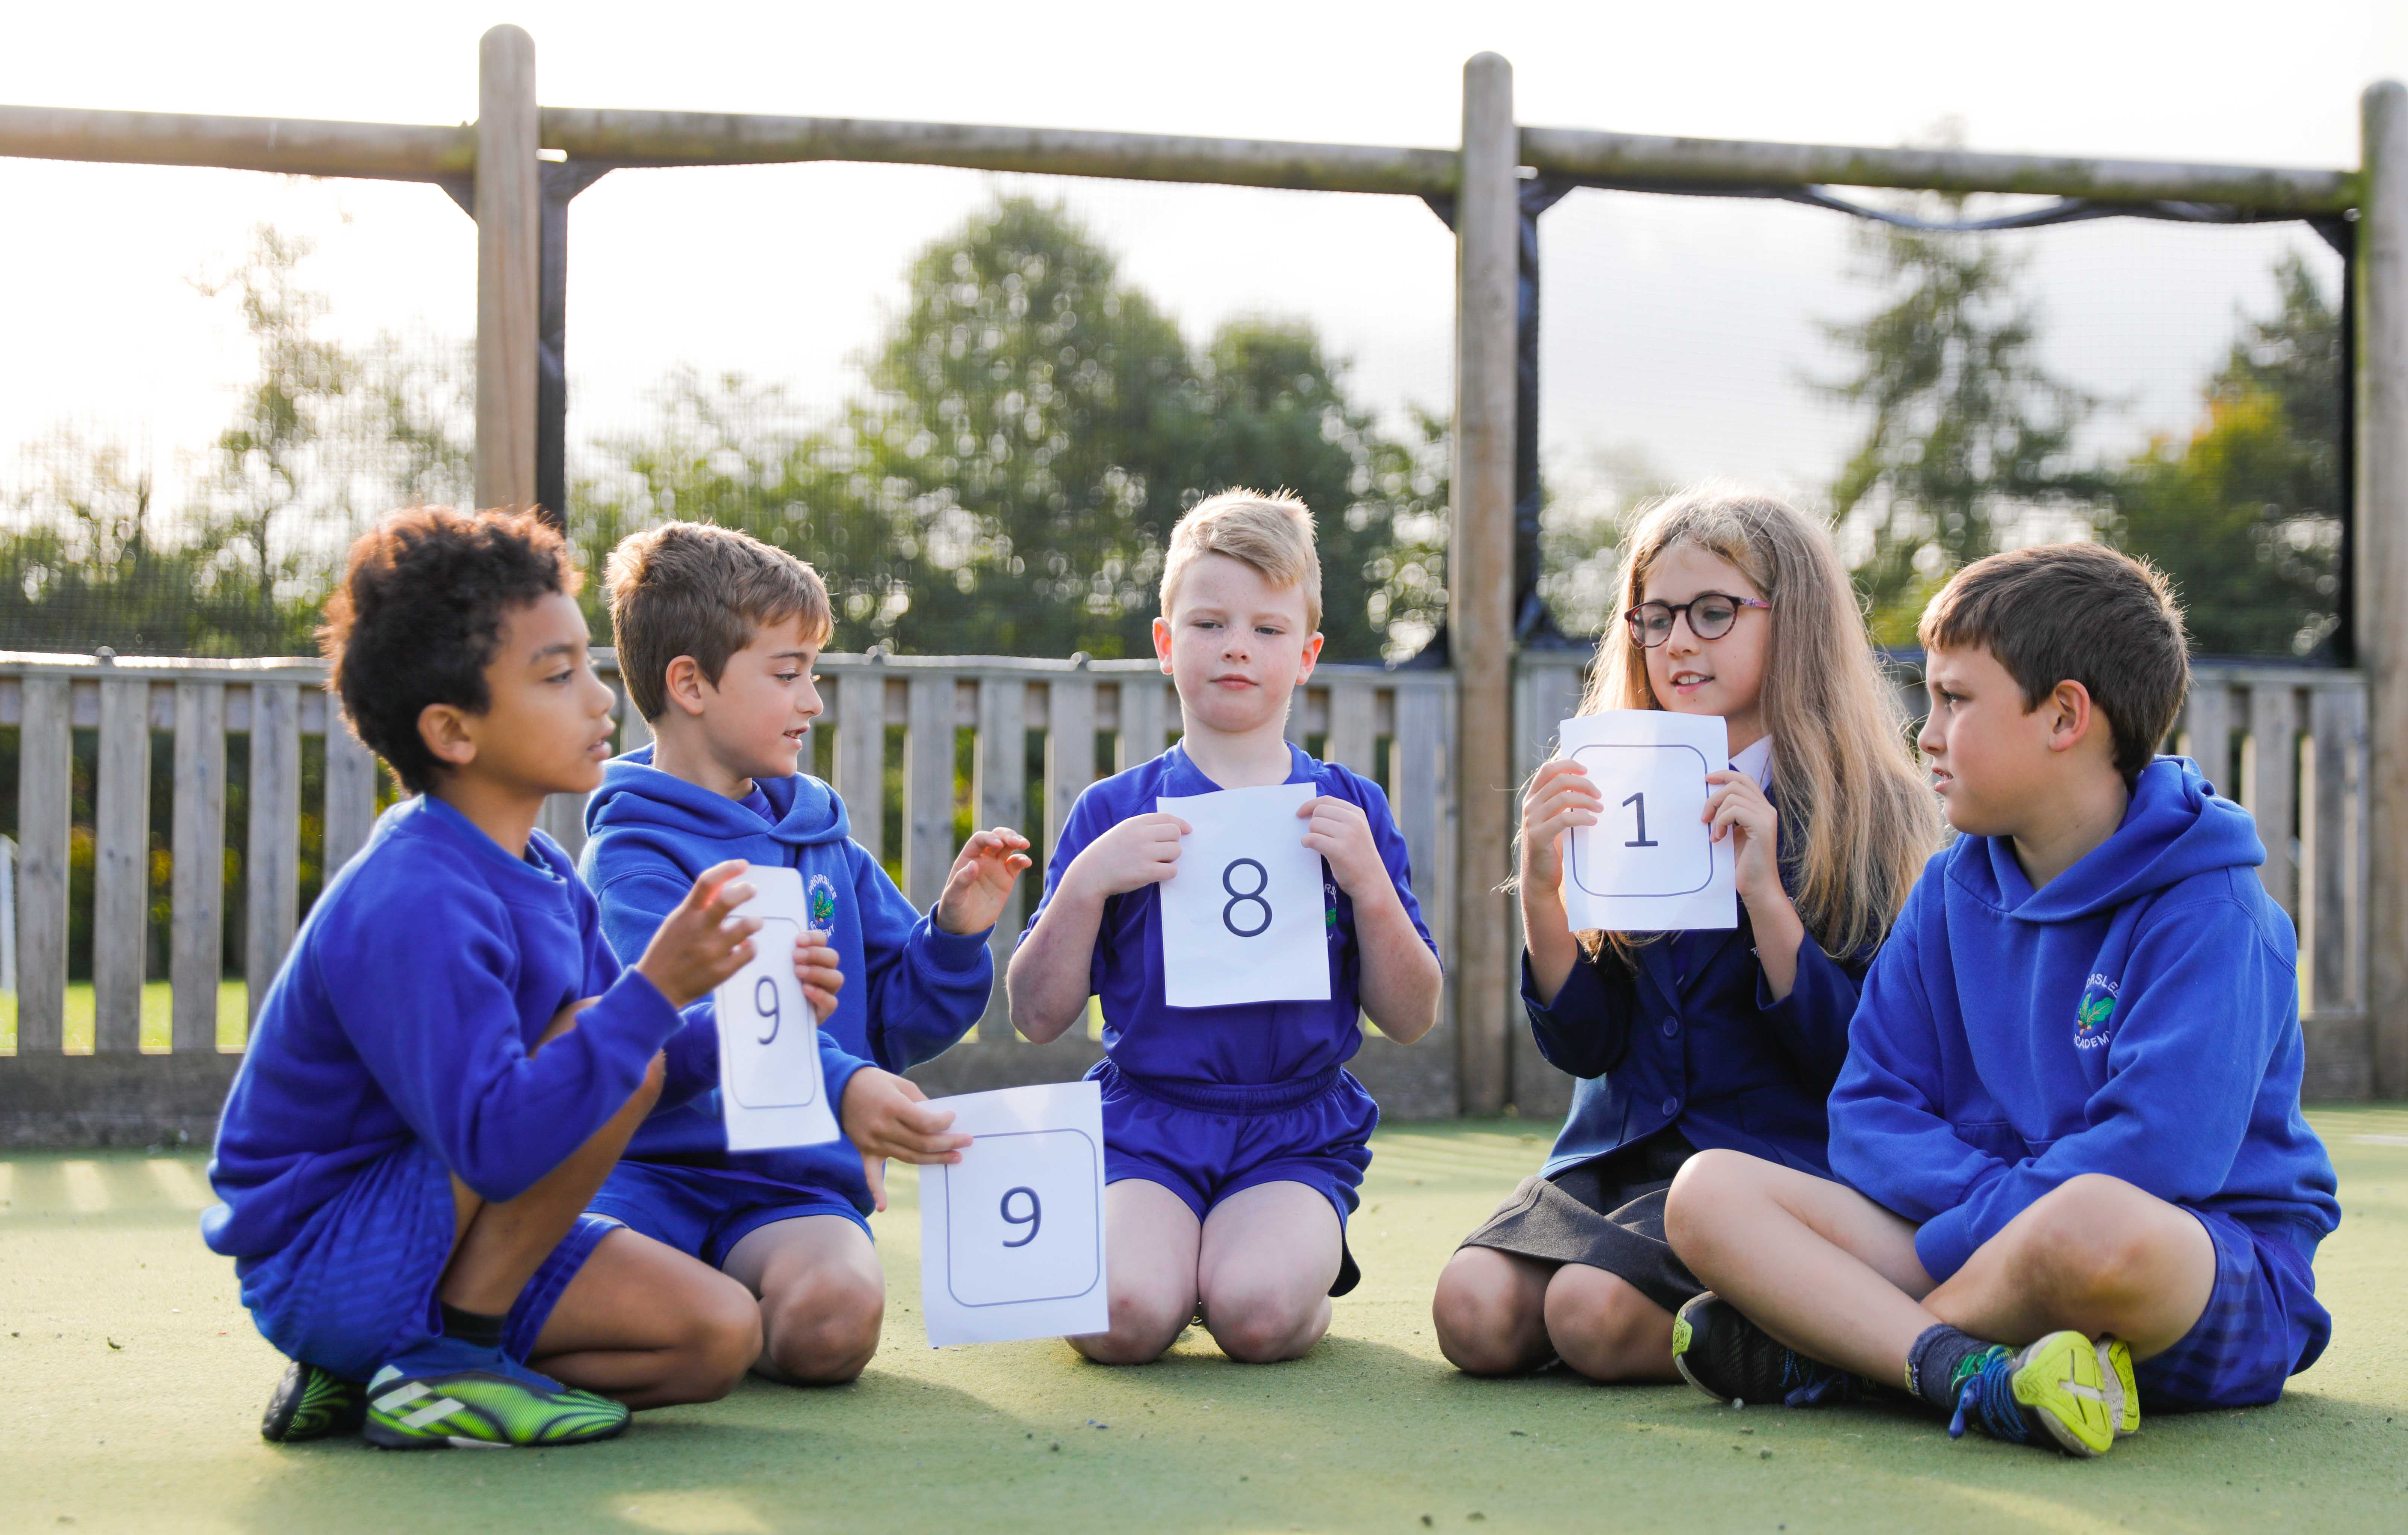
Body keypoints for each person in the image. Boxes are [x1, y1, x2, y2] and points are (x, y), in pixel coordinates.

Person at [1665, 542, 2340, 1457]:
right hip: (1971, 1239)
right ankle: (1963, 1368)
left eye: (1955, 700)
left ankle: (1857, 1355)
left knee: (2091, 1219)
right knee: (1709, 1190)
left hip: (2187, 1273)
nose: (1926, 733)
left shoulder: (2214, 912)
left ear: (2064, 715)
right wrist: (1986, 1219)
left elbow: (2158, 1156)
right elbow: (1867, 1109)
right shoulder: (1947, 889)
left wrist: (1980, 1229)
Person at [205, 506, 779, 1451]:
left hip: (454, 1231)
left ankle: (389, 1379)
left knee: (717, 1336)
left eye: (589, 664)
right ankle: (442, 1353)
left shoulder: (548, 873)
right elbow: (503, 1136)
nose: (602, 700)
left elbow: (636, 1063)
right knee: (606, 1041)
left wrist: (749, 1018)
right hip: (332, 1257)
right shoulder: (414, 898)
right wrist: (658, 988)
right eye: (558, 676)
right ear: (453, 731)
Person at [1431, 487, 1941, 1381]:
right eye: (1654, 617)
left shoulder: (1870, 810)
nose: (1677, 642)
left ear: (1798, 624)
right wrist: (1544, 897)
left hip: (1766, 1163)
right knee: (1471, 1314)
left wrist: (1766, 899)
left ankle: (1793, 1330)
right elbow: (1589, 1046)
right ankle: (1745, 1316)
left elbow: (1858, 1062)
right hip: (1618, 1152)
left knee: (1588, 1317)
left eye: (1714, 613)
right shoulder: (1624, 776)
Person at [580, 522, 1029, 1384]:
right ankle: (706, 1316)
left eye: (811, 674)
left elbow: (900, 1017)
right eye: (788, 674)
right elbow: (676, 1023)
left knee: (834, 1325)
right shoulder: (629, 861)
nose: (812, 701)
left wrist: (956, 931)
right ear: (691, 684)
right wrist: (840, 1081)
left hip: (792, 1186)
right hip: (646, 1174)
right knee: (563, 1287)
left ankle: (720, 1315)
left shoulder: (822, 837)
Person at [1005, 490, 1444, 1365]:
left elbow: (1413, 1013)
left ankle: (1285, 1281)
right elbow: (1035, 1013)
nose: (1238, 645)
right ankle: (1167, 1264)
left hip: (1294, 1127)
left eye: (1268, 629)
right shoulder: (1112, 811)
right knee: (1119, 1321)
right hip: (1147, 1120)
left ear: (1308, 654)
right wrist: (1087, 886)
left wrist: (1366, 882)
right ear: (1167, 644)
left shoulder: (1352, 807)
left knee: (1256, 1317)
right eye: (1209, 622)